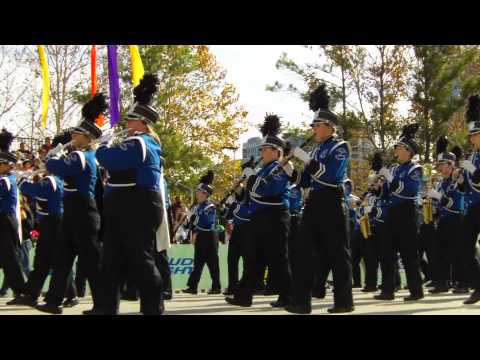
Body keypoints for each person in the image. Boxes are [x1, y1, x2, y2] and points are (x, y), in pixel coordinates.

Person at [97, 74, 165, 315]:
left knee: (141, 259)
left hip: (137, 206)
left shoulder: (141, 143)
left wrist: (103, 145)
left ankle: (153, 308)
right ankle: (105, 307)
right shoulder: (137, 141)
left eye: (130, 120)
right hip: (124, 205)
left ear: (142, 122)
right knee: (111, 259)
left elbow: (109, 159)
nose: (126, 124)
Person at [286, 84, 354, 314]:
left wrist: (307, 159)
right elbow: (304, 181)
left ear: (329, 127)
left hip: (332, 202)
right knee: (303, 251)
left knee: (337, 253)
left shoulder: (340, 146)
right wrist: (289, 169)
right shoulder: (315, 150)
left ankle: (344, 301)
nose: (314, 128)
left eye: (317, 125)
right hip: (314, 203)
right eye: (313, 125)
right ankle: (301, 302)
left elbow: (330, 176)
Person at [36, 94, 106, 315]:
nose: (73, 135)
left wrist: (52, 157)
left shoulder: (83, 156)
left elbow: (58, 167)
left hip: (84, 211)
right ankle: (54, 301)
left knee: (91, 261)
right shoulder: (78, 154)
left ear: (86, 137)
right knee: (62, 257)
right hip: (73, 209)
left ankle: (103, 304)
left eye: (77, 132)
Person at [226, 113, 293, 309]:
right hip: (258, 217)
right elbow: (253, 193)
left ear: (275, 151)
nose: (261, 152)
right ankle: (243, 296)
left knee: (278, 258)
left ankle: (288, 296)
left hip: (275, 217)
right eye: (262, 148)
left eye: (264, 149)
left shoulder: (281, 168)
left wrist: (251, 180)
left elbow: (269, 190)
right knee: (252, 256)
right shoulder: (264, 169)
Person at [8, 143, 77, 308]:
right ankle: (31, 293)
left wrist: (22, 179)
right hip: (48, 223)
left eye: (45, 162)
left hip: (54, 223)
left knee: (55, 260)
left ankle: (71, 295)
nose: (41, 164)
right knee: (42, 260)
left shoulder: (52, 180)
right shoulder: (53, 179)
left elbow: (35, 191)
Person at [373, 123, 424, 302]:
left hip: (407, 213)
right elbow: (386, 193)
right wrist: (377, 188)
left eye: (399, 146)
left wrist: (389, 178)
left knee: (409, 254)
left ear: (408, 151)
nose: (396, 149)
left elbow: (408, 190)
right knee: (386, 251)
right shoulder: (394, 168)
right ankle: (388, 289)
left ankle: (416, 290)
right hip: (392, 213)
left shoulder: (415, 169)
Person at [425, 136, 465, 294]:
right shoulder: (441, 183)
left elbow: (456, 206)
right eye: (438, 165)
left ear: (450, 165)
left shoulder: (457, 181)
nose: (439, 169)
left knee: (457, 252)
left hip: (456, 219)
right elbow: (440, 205)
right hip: (443, 220)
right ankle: (442, 282)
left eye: (441, 165)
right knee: (438, 252)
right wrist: (431, 208)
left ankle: (462, 282)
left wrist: (439, 197)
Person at [454, 95, 480, 304]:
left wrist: (473, 171)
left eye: (476, 135)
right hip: (473, 206)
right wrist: (461, 180)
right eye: (471, 136)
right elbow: (468, 187)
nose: (472, 139)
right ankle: (478, 287)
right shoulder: (471, 156)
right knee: (464, 245)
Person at [182, 170, 221, 294]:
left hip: (209, 236)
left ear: (205, 194)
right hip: (200, 236)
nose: (197, 194)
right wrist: (187, 220)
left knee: (212, 263)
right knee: (198, 262)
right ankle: (192, 287)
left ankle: (216, 287)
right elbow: (191, 225)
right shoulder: (197, 207)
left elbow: (205, 222)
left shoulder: (210, 206)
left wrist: (192, 217)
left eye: (198, 192)